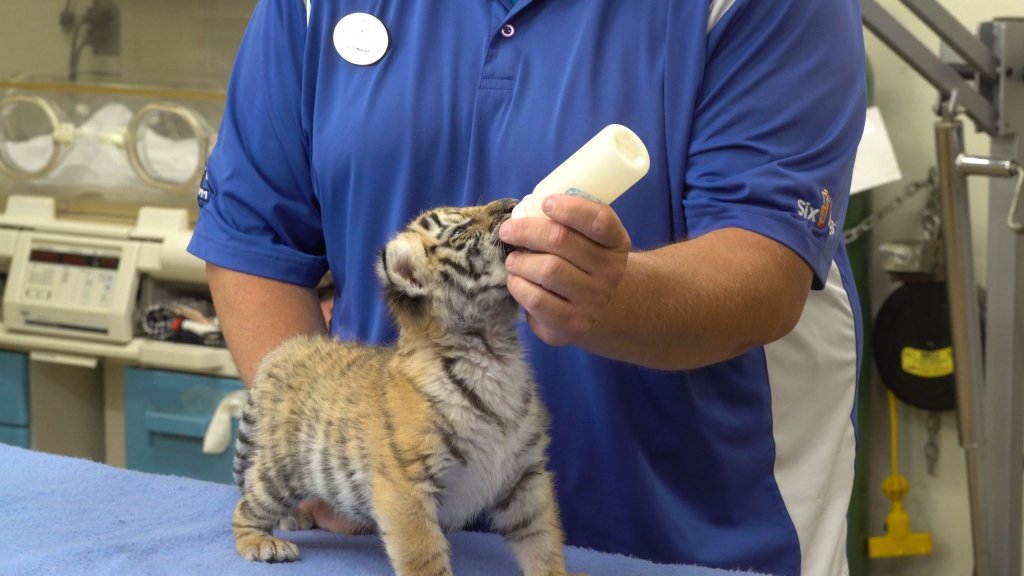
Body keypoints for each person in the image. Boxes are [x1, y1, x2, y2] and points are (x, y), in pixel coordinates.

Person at [187, 1, 866, 574]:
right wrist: (319, 454)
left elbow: (764, 271)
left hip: (692, 540)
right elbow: (254, 239)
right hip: (390, 536)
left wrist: (615, 296)